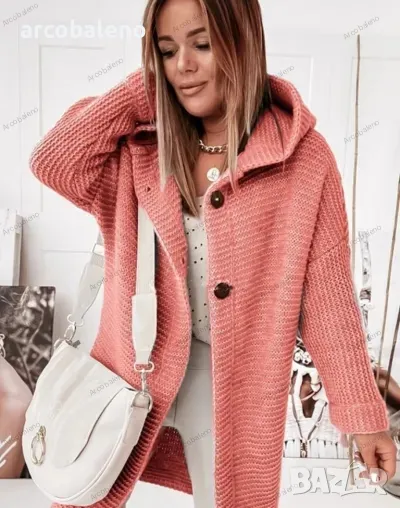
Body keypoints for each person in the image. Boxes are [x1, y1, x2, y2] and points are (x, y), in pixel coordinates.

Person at [28, 0, 397, 507]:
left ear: (242, 42)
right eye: (167, 51)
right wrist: (144, 90)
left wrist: (364, 417)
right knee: (83, 492)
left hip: (227, 388)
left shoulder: (304, 159)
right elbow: (53, 162)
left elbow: (329, 301)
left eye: (202, 44)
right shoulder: (139, 150)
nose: (183, 65)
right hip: (127, 374)